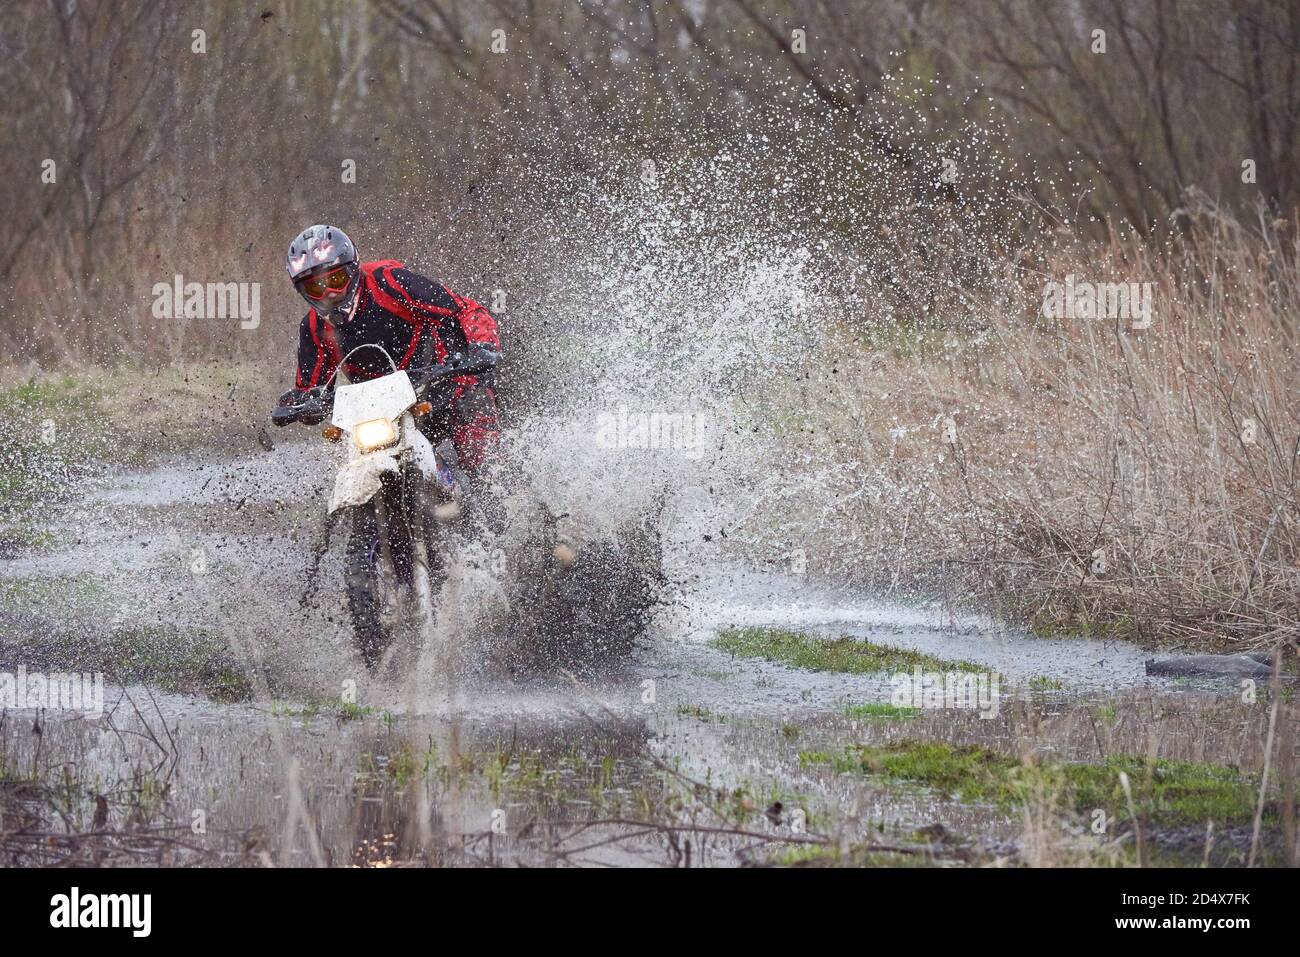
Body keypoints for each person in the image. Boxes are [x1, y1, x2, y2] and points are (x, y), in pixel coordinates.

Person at [272, 223, 501, 474]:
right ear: (303, 291)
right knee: (356, 464)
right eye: (316, 287)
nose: (329, 293)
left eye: (335, 280)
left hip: (446, 386)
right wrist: (300, 405)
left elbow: (465, 310)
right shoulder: (314, 328)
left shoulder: (389, 282)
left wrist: (482, 346)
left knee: (481, 459)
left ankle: (502, 503)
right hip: (382, 414)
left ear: (352, 269)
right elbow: (311, 391)